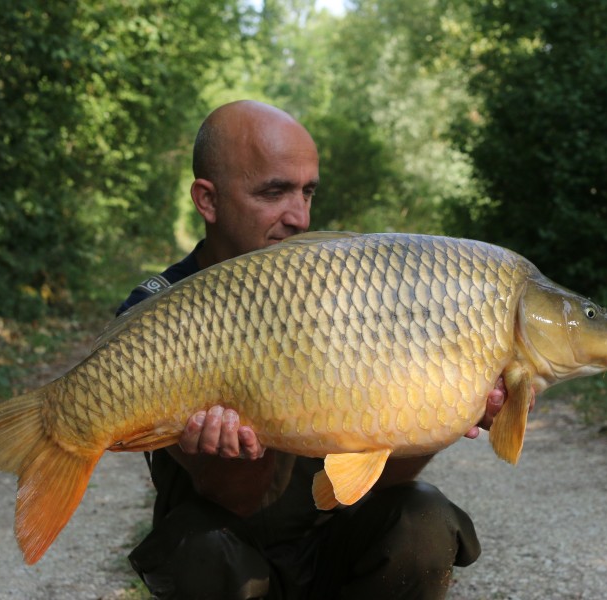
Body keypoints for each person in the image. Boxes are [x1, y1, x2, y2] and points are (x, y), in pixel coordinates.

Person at [117, 100, 510, 599]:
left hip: (336, 541)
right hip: (233, 554)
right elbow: (234, 500)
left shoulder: (343, 286)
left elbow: (377, 479)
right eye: (274, 192)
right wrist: (231, 448)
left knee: (423, 516)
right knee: (201, 547)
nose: (299, 218)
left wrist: (442, 419)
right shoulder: (156, 316)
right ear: (208, 201)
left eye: (308, 192)